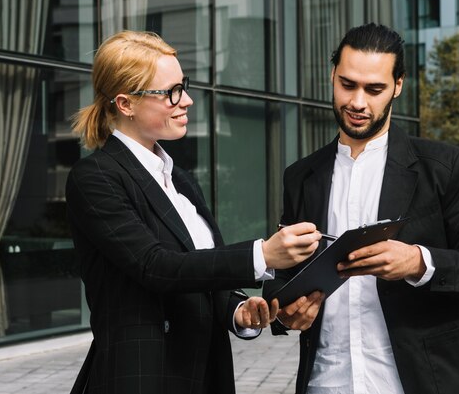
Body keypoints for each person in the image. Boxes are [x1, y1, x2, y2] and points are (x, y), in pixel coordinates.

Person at [65, 30, 322, 394]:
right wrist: (262, 254)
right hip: (144, 378)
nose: (186, 100)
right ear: (126, 104)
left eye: (183, 86)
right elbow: (156, 266)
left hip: (204, 374)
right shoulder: (95, 178)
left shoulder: (181, 181)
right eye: (170, 92)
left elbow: (199, 274)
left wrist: (237, 309)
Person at [263, 22, 459, 394]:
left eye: (374, 89)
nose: (358, 102)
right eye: (347, 84)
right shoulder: (301, 176)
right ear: (332, 75)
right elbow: (283, 278)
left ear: (398, 85)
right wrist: (283, 312)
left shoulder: (445, 167)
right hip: (327, 383)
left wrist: (418, 262)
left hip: (420, 383)